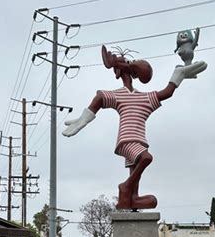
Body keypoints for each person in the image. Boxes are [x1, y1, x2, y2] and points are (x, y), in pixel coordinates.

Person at [63, 46, 207, 211]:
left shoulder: (144, 98)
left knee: (139, 178)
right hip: (126, 139)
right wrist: (84, 118)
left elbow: (166, 92)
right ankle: (124, 188)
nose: (129, 64)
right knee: (145, 158)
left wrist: (178, 76)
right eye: (125, 62)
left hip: (140, 140)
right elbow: (100, 98)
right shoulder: (119, 95)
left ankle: (132, 198)